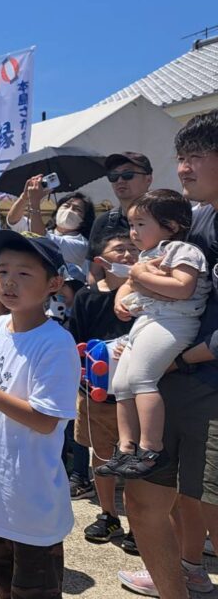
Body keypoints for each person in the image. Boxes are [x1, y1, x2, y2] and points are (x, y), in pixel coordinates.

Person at [115, 111, 218, 598]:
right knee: (149, 500)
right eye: (180, 158)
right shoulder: (195, 218)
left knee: (210, 502)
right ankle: (183, 579)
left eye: (196, 157)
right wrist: (128, 291)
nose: (184, 169)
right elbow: (146, 268)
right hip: (178, 377)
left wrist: (185, 358)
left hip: (202, 380)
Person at [0, 230, 80, 599]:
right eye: (3, 271)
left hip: (31, 507)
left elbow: (45, 420)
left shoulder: (55, 344)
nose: (9, 282)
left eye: (24, 274)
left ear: (54, 284)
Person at [97, 189, 209, 479]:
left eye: (141, 224)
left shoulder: (183, 250)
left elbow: (182, 287)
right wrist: (125, 299)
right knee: (120, 382)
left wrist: (138, 277)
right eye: (132, 225)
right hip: (150, 321)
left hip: (175, 322)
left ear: (170, 226)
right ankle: (126, 448)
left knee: (140, 379)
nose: (133, 232)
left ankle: (151, 449)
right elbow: (141, 288)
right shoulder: (148, 255)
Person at [68, 227, 138, 548]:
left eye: (133, 250)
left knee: (138, 457)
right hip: (94, 392)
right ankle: (109, 514)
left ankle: (140, 524)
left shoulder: (145, 296)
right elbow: (75, 341)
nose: (128, 255)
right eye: (120, 250)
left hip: (135, 394)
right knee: (101, 455)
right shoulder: (86, 297)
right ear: (100, 260)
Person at [6, 178, 95, 269]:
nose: (69, 211)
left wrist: (35, 202)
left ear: (85, 220)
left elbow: (41, 238)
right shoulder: (44, 230)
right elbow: (13, 220)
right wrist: (24, 197)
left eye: (77, 209)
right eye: (66, 205)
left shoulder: (81, 244)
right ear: (57, 211)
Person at [88, 152, 154, 250]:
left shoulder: (166, 214)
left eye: (127, 174)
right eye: (113, 176)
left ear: (148, 179)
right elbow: (94, 264)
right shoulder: (104, 222)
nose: (120, 180)